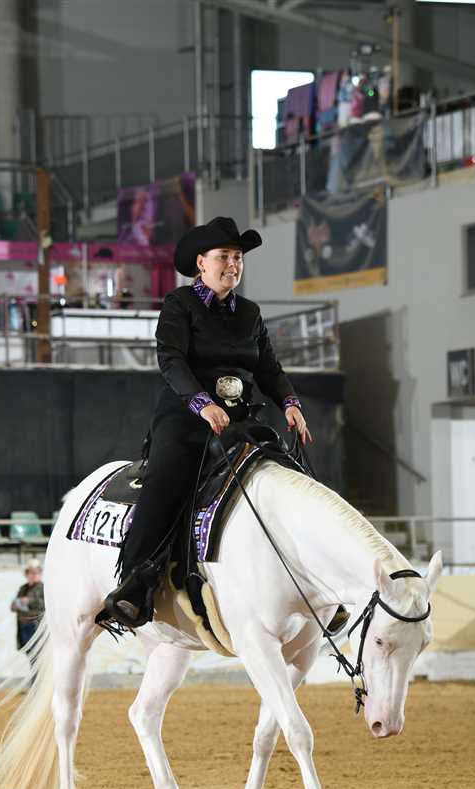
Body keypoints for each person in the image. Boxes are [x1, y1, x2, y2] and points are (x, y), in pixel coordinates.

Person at [101, 215, 350, 635]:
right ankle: (137, 582)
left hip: (240, 418)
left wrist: (290, 403)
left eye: (238, 258)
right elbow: (171, 360)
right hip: (186, 417)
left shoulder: (250, 313)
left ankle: (317, 584)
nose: (233, 264)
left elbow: (268, 367)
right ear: (201, 263)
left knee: (292, 476)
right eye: (224, 256)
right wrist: (202, 404)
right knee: (167, 480)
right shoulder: (180, 304)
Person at [10, 559, 45, 649]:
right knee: (28, 652)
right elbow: (13, 606)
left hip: (36, 627)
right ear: (27, 574)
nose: (34, 575)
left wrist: (29, 601)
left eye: (37, 572)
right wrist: (16, 605)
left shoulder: (43, 588)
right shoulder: (23, 588)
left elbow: (46, 605)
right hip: (23, 626)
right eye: (31, 572)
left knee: (37, 652)